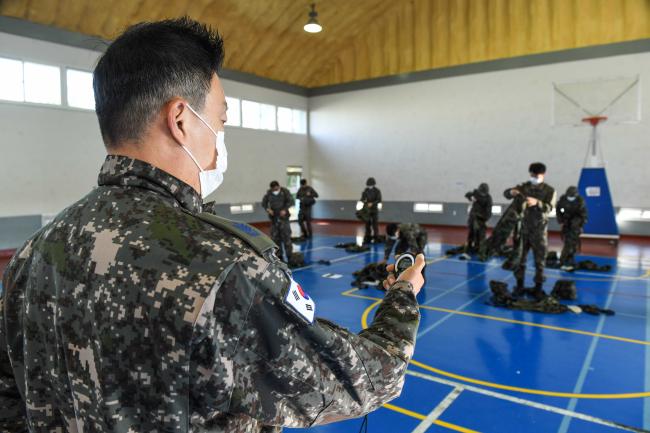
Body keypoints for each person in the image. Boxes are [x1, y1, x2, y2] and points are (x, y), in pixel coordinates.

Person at [0, 18, 426, 433]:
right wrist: (403, 295)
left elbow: (11, 403)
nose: (221, 140)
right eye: (220, 121)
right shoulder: (223, 266)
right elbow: (362, 380)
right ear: (181, 120)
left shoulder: (32, 255)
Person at [504, 162, 556, 300]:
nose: (533, 177)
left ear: (543, 174)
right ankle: (519, 286)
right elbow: (506, 194)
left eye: (536, 175)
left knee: (540, 262)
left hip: (539, 231)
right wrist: (511, 191)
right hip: (522, 230)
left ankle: (538, 288)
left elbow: (550, 208)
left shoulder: (549, 190)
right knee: (520, 259)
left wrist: (537, 202)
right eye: (531, 174)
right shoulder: (524, 187)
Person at [262, 180, 295, 262]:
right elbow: (264, 203)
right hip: (274, 218)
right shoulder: (269, 193)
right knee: (275, 239)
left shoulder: (285, 192)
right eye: (274, 189)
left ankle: (290, 257)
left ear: (279, 186)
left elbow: (291, 201)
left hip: (284, 218)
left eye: (276, 189)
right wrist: (268, 209)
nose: (275, 191)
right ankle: (279, 257)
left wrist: (285, 209)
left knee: (286, 238)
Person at [556, 186, 588, 271]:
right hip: (566, 222)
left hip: (575, 224)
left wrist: (580, 225)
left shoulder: (580, 201)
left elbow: (583, 215)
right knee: (568, 242)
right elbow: (559, 211)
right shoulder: (562, 200)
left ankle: (570, 257)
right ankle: (563, 260)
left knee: (573, 242)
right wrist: (561, 221)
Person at [463, 183, 492, 257]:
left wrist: (483, 218)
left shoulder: (488, 198)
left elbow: (488, 213)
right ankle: (469, 249)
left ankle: (480, 250)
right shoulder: (476, 193)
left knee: (481, 236)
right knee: (471, 234)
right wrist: (471, 197)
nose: (482, 194)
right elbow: (467, 194)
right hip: (472, 218)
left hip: (481, 219)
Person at [361, 177, 382, 244]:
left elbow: (379, 200)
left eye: (371, 184)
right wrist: (365, 203)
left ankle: (376, 237)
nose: (369, 186)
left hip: (374, 209)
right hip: (367, 210)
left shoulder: (377, 191)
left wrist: (372, 203)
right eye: (368, 185)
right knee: (367, 224)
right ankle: (368, 237)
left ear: (373, 184)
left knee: (375, 224)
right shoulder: (365, 190)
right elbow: (362, 199)